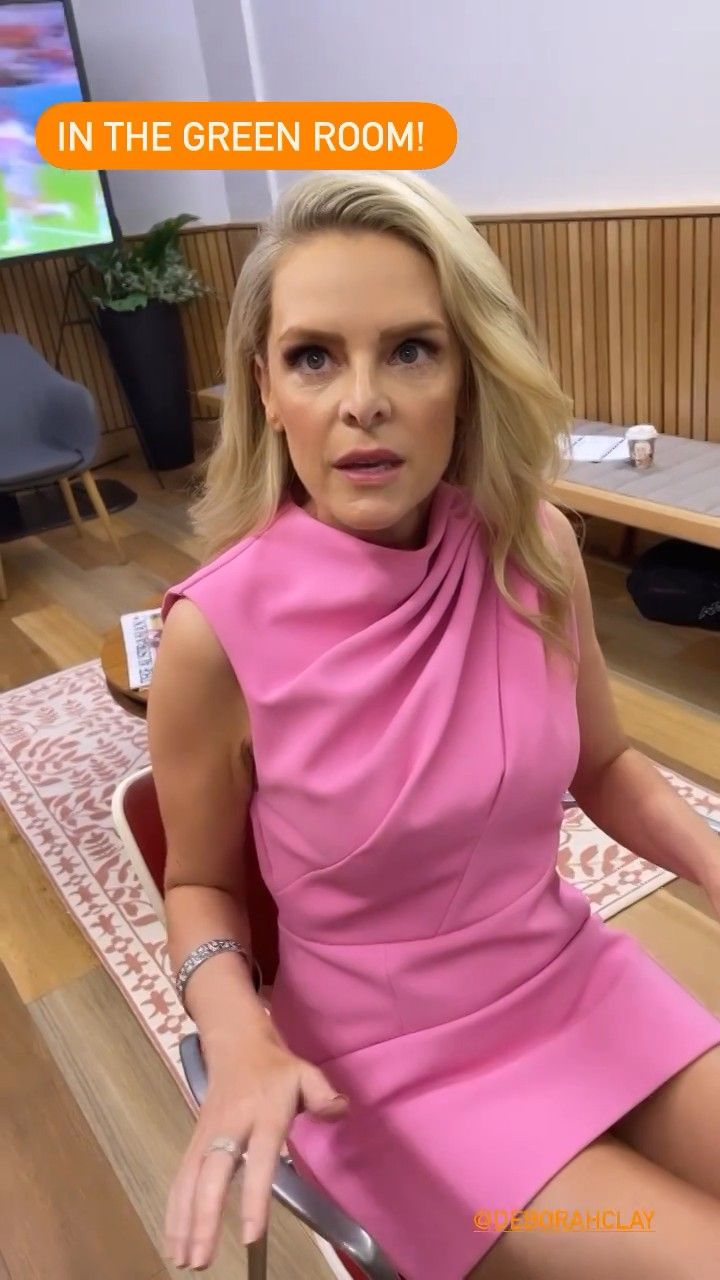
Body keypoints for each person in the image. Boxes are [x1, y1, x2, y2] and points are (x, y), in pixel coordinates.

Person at [147, 170, 720, 1279]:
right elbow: (200, 883)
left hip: (570, 979)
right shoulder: (214, 635)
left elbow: (603, 761)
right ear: (265, 386)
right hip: (392, 1073)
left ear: (466, 371)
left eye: (411, 349)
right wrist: (237, 1032)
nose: (363, 400)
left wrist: (711, 856)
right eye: (314, 356)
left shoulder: (533, 545)